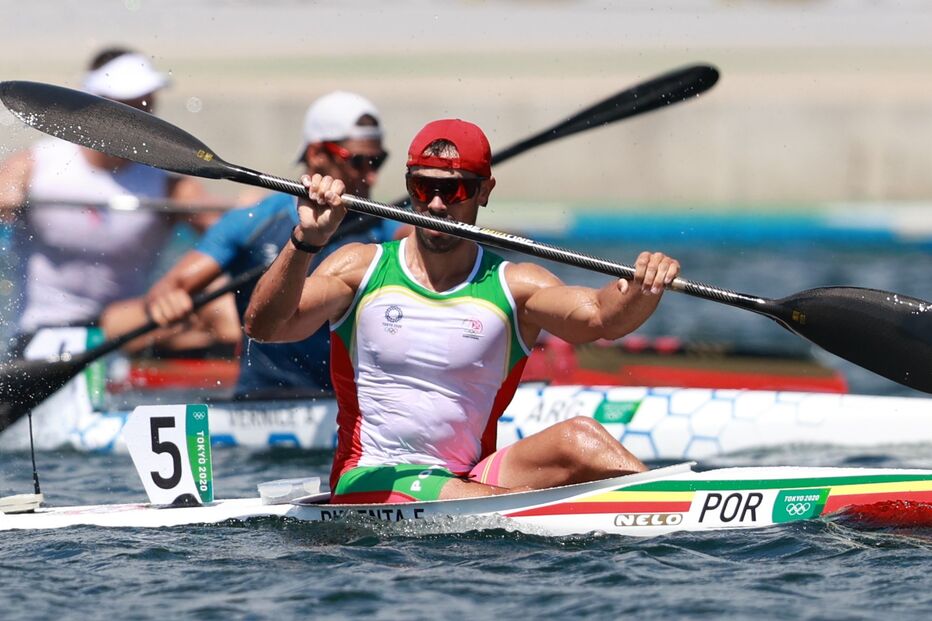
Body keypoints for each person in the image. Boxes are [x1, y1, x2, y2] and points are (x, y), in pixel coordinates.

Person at [244, 119, 681, 503]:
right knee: (455, 491)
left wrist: (644, 287)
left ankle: (676, 504)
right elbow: (264, 325)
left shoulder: (515, 286)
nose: (436, 204)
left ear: (484, 192)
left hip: (471, 478)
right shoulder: (360, 268)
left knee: (581, 438)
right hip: (370, 478)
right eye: (423, 188)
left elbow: (601, 317)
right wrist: (306, 241)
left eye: (452, 190)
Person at [105, 91, 393, 398]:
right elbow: (170, 288)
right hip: (260, 397)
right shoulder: (254, 221)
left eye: (378, 160)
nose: (372, 174)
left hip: (347, 405)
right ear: (317, 154)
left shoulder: (389, 228)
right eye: (359, 161)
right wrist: (169, 302)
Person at [0, 47, 222, 346]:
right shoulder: (36, 165)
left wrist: (256, 216)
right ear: (91, 106)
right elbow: (7, 183)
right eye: (126, 106)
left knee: (222, 311)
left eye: (144, 106)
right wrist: (7, 194)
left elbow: (228, 233)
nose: (138, 118)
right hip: (43, 330)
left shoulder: (171, 187)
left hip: (129, 332)